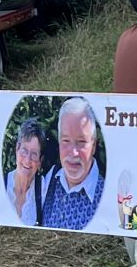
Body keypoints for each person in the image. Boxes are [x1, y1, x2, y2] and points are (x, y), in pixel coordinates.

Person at [38, 96, 106, 230]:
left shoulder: (107, 198)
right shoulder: (48, 181)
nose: (73, 152)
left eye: (81, 142)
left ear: (93, 146)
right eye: (66, 141)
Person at [5, 117, 46, 224]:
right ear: (17, 149)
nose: (27, 160)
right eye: (24, 151)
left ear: (40, 161)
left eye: (34, 154)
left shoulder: (43, 189)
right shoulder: (1, 184)